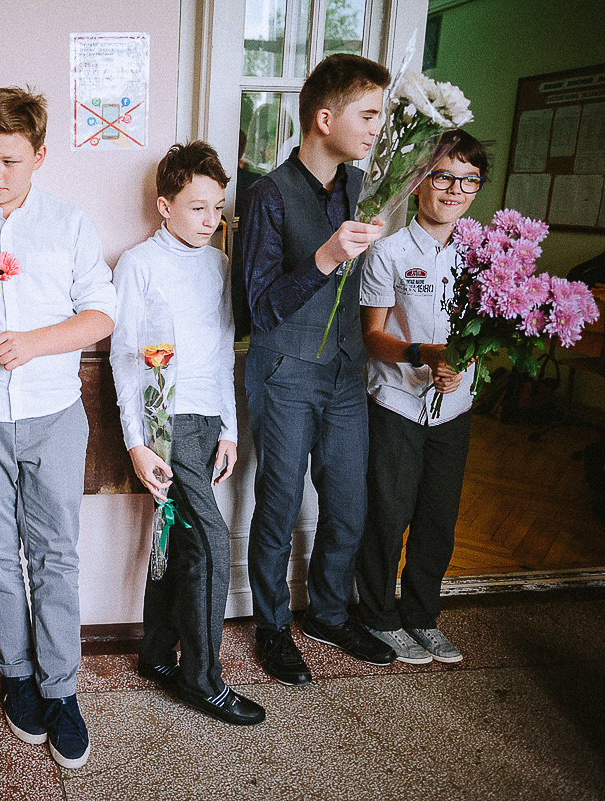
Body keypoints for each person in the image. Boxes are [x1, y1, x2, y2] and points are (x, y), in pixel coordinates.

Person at [0, 86, 116, 769]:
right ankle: (17, 674)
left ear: (39, 155)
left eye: (9, 159)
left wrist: (35, 341)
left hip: (54, 414)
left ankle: (62, 688)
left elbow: (102, 315)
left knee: (56, 553)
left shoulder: (69, 224)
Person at [239, 53, 395, 685]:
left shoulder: (362, 189)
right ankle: (274, 627)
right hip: (284, 373)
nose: (375, 129)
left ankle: (329, 613)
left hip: (346, 375)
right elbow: (261, 307)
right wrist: (328, 255)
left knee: (349, 504)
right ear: (324, 118)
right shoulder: (267, 196)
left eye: (381, 116)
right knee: (277, 507)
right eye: (367, 115)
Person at [110, 141, 265, 726]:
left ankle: (155, 655)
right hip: (162, 419)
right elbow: (127, 363)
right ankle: (203, 681)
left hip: (205, 421)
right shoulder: (137, 265)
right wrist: (136, 441)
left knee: (177, 539)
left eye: (218, 207)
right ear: (164, 206)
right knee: (209, 542)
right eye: (198, 207)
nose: (211, 220)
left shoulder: (221, 266)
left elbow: (223, 353)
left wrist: (227, 428)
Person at [354, 130, 488, 665]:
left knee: (438, 516)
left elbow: (489, 328)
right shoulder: (388, 252)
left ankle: (422, 615)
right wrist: (422, 354)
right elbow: (372, 336)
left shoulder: (483, 257)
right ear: (418, 184)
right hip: (397, 404)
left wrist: (461, 366)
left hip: (455, 408)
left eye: (468, 180)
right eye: (443, 176)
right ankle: (380, 616)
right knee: (388, 514)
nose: (455, 190)